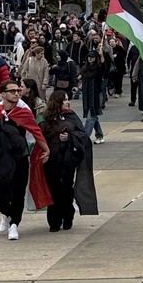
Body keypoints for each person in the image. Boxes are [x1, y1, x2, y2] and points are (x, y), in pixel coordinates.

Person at [0, 79, 51, 241]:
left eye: (18, 90)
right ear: (3, 94)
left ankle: (14, 225)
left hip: (19, 157)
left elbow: (35, 131)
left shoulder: (23, 112)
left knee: (18, 191)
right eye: (12, 91)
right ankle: (6, 212)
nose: (17, 93)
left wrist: (46, 149)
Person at [40, 91, 98, 231]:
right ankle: (54, 221)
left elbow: (83, 136)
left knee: (66, 189)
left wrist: (70, 138)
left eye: (68, 99)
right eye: (64, 100)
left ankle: (67, 216)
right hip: (51, 160)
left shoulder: (71, 116)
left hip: (67, 160)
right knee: (53, 189)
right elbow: (40, 137)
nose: (68, 102)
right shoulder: (45, 118)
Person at [79, 50, 106, 143]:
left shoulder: (98, 68)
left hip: (96, 95)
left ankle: (84, 138)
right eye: (89, 57)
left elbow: (104, 69)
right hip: (87, 94)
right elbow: (80, 76)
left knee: (90, 117)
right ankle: (100, 135)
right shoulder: (85, 68)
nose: (90, 59)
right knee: (93, 116)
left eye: (92, 57)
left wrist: (102, 56)